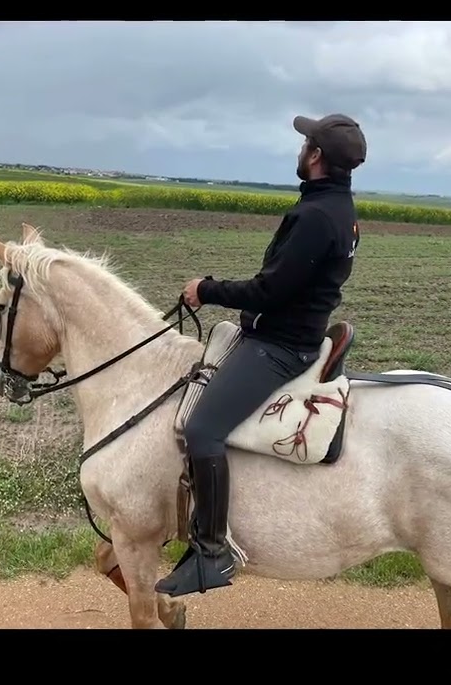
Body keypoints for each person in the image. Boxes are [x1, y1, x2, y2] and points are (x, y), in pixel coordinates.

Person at [154, 113, 367, 598]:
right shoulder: (338, 208)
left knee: (202, 429)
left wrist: (205, 289)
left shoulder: (316, 217)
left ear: (315, 157)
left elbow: (270, 290)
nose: (300, 149)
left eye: (305, 143)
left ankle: (212, 553)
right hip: (284, 333)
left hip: (280, 347)